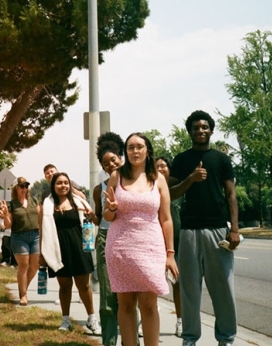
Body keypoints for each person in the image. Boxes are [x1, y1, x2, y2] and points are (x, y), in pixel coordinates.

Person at [168, 110, 241, 346]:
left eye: (205, 126)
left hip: (218, 230)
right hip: (188, 231)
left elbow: (231, 194)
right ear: (190, 131)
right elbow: (170, 193)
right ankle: (190, 339)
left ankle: (226, 338)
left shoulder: (221, 159)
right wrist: (190, 179)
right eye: (196, 127)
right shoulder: (180, 160)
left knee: (223, 290)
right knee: (190, 290)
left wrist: (235, 229)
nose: (201, 130)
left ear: (211, 130)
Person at [103, 132, 178, 346]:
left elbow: (166, 219)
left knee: (148, 304)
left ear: (147, 150)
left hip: (151, 248)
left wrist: (170, 254)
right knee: (125, 304)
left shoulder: (158, 178)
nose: (135, 151)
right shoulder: (117, 176)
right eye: (130, 147)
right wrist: (111, 208)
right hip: (120, 248)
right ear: (125, 152)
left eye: (139, 147)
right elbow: (106, 216)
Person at [92, 132, 142, 346]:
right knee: (108, 299)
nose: (110, 164)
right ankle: (109, 342)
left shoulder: (137, 183)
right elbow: (99, 218)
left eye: (113, 159)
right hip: (106, 239)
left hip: (131, 240)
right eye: (105, 163)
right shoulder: (99, 189)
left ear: (121, 157)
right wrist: (91, 215)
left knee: (130, 298)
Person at [40, 172, 101, 334]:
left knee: (84, 285)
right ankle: (66, 320)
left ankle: (92, 319)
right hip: (58, 250)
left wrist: (90, 213)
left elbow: (95, 221)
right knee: (65, 286)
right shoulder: (47, 205)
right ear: (53, 186)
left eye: (66, 183)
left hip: (80, 248)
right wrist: (42, 255)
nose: (63, 186)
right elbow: (43, 231)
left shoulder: (79, 201)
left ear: (70, 185)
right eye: (59, 183)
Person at [1, 177, 41, 306]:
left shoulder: (34, 200)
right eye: (21, 186)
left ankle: (23, 288)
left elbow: (41, 217)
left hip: (35, 236)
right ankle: (23, 295)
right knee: (24, 266)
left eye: (26, 186)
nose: (24, 189)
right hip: (19, 237)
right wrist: (6, 214)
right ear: (16, 188)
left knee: (35, 266)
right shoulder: (11, 204)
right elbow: (7, 225)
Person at [155, 156, 183, 337]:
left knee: (178, 284)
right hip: (155, 243)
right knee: (151, 285)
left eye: (163, 166)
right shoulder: (150, 188)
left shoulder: (178, 189)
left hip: (178, 243)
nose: (160, 169)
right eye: (156, 167)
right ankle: (147, 321)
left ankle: (180, 321)